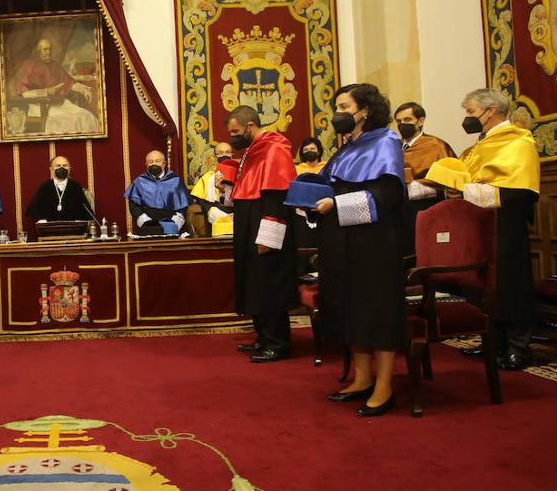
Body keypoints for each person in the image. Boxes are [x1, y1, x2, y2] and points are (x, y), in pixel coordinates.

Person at [304, 83, 406, 416]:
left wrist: (336, 205)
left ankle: (384, 385)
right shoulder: (347, 148)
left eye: (345, 107)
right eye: (336, 107)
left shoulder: (386, 142)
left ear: (365, 111)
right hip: (343, 243)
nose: (339, 114)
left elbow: (386, 196)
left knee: (376, 310)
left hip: (373, 244)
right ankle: (362, 379)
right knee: (352, 309)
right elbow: (330, 186)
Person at [425, 88, 540, 371]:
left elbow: (521, 191)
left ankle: (518, 347)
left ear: (491, 111)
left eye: (471, 113)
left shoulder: (518, 142)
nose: (468, 119)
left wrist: (467, 191)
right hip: (478, 223)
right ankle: (493, 341)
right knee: (483, 283)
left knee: (509, 283)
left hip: (505, 223)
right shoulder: (481, 144)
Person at [227, 107, 298, 362]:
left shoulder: (274, 148)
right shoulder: (251, 152)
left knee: (269, 282)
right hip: (249, 220)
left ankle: (278, 342)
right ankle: (263, 336)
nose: (232, 137)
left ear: (249, 127)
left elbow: (276, 196)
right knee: (254, 281)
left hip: (266, 221)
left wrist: (268, 236)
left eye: (235, 132)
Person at [11, 38, 98, 134]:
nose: (48, 52)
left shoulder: (54, 65)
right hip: (40, 106)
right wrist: (46, 91)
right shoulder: (30, 66)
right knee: (65, 122)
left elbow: (68, 83)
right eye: (45, 49)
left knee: (87, 116)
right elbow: (25, 93)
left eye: (49, 49)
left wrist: (83, 90)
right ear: (38, 51)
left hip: (60, 104)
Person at [124, 150, 190, 235]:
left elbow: (183, 206)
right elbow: (134, 206)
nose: (154, 164)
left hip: (171, 224)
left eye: (157, 161)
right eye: (150, 162)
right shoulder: (139, 182)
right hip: (148, 225)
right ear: (146, 165)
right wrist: (145, 221)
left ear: (164, 163)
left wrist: (175, 222)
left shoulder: (176, 181)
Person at [395, 101, 455, 179]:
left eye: (407, 119)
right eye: (399, 121)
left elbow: (449, 177)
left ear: (420, 121)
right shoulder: (394, 146)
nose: (402, 124)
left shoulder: (436, 145)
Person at [26, 155, 94, 223]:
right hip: (49, 230)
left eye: (65, 165)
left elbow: (85, 211)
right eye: (58, 165)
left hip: (72, 230)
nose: (61, 168)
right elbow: (35, 210)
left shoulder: (75, 187)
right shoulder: (45, 187)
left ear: (69, 169)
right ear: (51, 169)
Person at [189, 143, 235, 237]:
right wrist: (221, 216)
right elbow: (204, 204)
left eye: (227, 152)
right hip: (218, 218)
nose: (224, 155)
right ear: (215, 157)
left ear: (232, 155)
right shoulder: (207, 178)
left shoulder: (242, 175)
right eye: (220, 153)